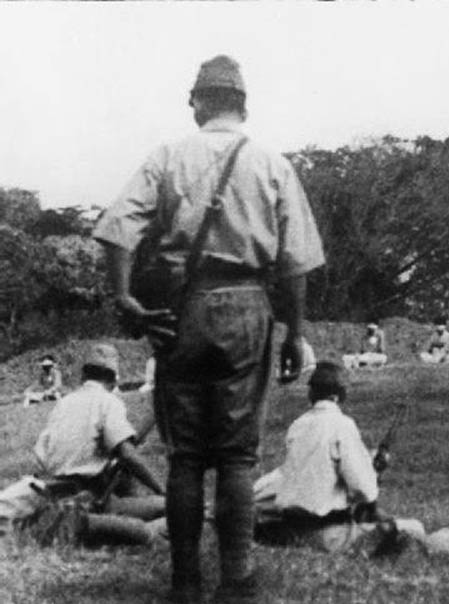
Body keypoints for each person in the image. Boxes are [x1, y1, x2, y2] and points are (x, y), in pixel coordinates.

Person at [93, 55, 325, 603]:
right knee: (238, 456)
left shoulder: (168, 156)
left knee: (187, 458)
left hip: (183, 310)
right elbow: (294, 264)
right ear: (243, 105)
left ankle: (184, 581)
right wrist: (294, 333)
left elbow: (115, 228)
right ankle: (238, 580)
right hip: (248, 305)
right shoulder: (272, 163)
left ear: (196, 102)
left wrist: (125, 295)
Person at [2, 344, 169, 547]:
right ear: (114, 377)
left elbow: (42, 453)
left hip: (64, 491)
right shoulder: (108, 401)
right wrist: (161, 489)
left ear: (83, 375)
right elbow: (128, 454)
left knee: (157, 509)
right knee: (148, 526)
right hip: (83, 500)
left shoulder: (64, 403)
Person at [253, 361, 423, 553]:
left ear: (311, 394)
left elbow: (313, 468)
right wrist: (372, 472)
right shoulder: (342, 425)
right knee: (414, 527)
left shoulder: (297, 426)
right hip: (326, 533)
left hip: (290, 528)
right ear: (341, 395)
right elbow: (364, 490)